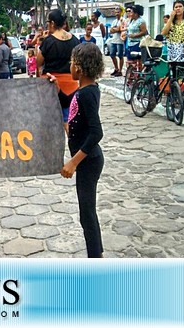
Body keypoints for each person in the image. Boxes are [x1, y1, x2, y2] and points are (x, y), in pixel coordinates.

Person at [58, 43, 105, 258]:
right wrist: (57, 89)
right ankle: (97, 252)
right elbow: (71, 103)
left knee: (87, 214)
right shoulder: (84, 90)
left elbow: (96, 133)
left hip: (88, 161)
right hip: (87, 161)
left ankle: (95, 259)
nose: (69, 66)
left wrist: (73, 162)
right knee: (86, 213)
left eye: (71, 62)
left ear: (79, 67)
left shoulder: (87, 94)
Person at [36, 9, 80, 125]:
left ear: (53, 23)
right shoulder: (75, 40)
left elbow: (38, 62)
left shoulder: (49, 41)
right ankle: (73, 141)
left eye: (48, 22)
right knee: (68, 118)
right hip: (71, 85)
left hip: (51, 84)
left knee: (50, 120)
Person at [161, 0, 184, 76]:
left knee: (182, 77)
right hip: (171, 53)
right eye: (176, 7)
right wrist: (171, 18)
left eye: (180, 6)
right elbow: (163, 32)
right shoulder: (170, 21)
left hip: (182, 53)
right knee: (172, 77)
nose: (178, 8)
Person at [108, 6, 126, 76]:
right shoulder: (114, 21)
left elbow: (121, 29)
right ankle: (116, 68)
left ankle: (120, 70)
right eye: (115, 12)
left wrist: (117, 29)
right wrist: (116, 29)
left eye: (118, 12)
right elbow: (111, 30)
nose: (116, 14)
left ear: (121, 12)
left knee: (120, 56)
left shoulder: (123, 20)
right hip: (113, 40)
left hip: (120, 41)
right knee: (112, 54)